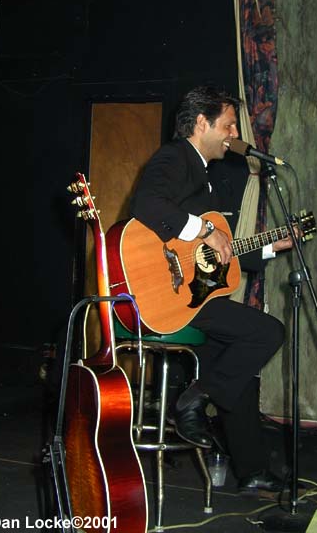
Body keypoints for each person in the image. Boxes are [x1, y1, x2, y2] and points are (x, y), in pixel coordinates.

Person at [129, 85, 294, 495]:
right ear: (201, 123)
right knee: (268, 332)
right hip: (170, 296)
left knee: (238, 370)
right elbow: (147, 206)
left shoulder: (203, 177)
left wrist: (273, 246)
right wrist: (204, 228)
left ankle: (252, 469)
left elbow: (222, 254)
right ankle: (195, 397)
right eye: (228, 124)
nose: (234, 133)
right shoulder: (174, 157)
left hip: (194, 296)